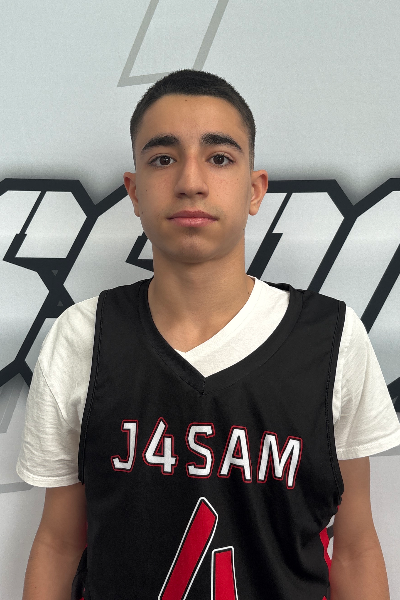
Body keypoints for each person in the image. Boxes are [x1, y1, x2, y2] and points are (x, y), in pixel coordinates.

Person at [17, 69, 400, 600]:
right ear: (134, 191)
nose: (191, 181)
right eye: (163, 158)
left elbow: (355, 548)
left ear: (254, 189)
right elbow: (60, 543)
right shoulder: (82, 337)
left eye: (219, 157)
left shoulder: (332, 339)